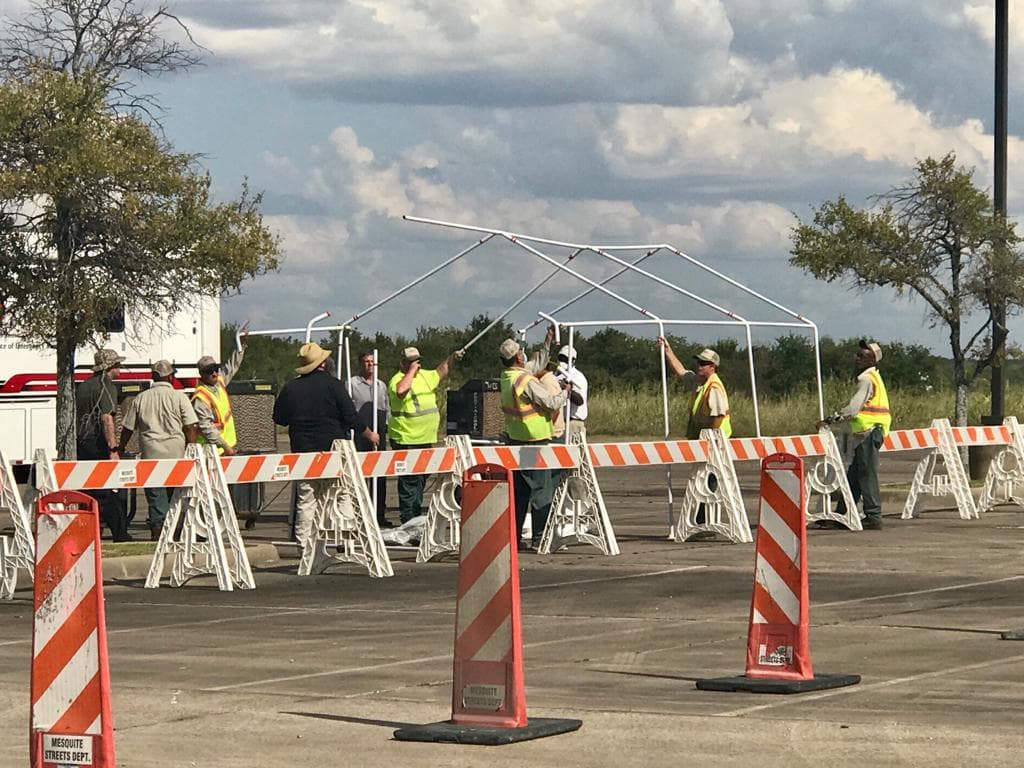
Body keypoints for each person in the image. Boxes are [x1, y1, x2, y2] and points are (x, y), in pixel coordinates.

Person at [273, 343, 379, 552]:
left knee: (307, 499)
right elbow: (351, 417)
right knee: (341, 495)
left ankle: (304, 546)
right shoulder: (334, 385)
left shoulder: (291, 388)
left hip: (303, 450)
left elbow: (280, 418)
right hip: (333, 448)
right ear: (324, 363)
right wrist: (369, 434)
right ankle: (344, 540)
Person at [498, 338, 570, 551]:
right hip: (533, 440)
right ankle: (541, 537)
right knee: (541, 490)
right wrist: (565, 392)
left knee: (520, 492)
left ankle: (514, 536)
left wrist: (548, 341)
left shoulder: (507, 376)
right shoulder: (524, 381)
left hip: (515, 439)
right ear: (519, 357)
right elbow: (551, 402)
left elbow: (536, 364)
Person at [658, 338, 731, 540]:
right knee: (703, 480)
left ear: (713, 366)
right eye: (698, 362)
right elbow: (681, 372)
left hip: (715, 440)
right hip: (704, 439)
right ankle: (701, 523)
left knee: (709, 481)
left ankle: (704, 523)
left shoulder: (714, 387)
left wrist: (712, 439)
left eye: (702, 363)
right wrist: (668, 351)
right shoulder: (700, 382)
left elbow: (719, 415)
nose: (698, 366)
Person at [117, 360, 199, 540]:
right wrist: (191, 447)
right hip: (176, 451)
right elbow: (191, 426)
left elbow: (128, 428)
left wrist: (120, 448)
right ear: (170, 376)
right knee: (175, 494)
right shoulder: (179, 397)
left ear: (153, 377)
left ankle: (157, 529)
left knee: (155, 494)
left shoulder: (141, 398)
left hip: (151, 452)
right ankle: (176, 530)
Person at [816, 340, 890, 530]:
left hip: (868, 431)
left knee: (866, 475)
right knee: (855, 475)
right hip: (870, 431)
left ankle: (873, 515)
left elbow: (853, 409)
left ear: (872, 360)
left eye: (861, 356)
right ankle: (843, 513)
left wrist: (830, 420)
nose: (856, 359)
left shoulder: (866, 379)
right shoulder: (875, 377)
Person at [387, 345, 462, 524]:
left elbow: (442, 370)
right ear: (403, 363)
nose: (416, 364)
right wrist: (411, 372)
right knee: (409, 481)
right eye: (411, 362)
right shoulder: (397, 379)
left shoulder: (425, 376)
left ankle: (415, 516)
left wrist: (453, 356)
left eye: (417, 361)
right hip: (406, 438)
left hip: (425, 438)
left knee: (421, 479)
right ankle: (408, 520)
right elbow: (400, 391)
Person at [75, 348, 130, 541]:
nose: (120, 369)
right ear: (110, 367)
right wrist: (113, 448)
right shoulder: (106, 386)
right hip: (98, 444)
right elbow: (107, 419)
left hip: (82, 443)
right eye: (118, 365)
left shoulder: (83, 386)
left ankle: (91, 530)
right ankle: (120, 533)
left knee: (87, 489)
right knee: (107, 491)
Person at [349, 350, 391, 527]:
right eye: (366, 362)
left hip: (379, 431)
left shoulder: (381, 385)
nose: (369, 365)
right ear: (360, 363)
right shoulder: (352, 384)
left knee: (379, 475)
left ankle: (379, 513)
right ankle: (360, 514)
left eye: (372, 362)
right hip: (360, 433)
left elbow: (386, 407)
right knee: (361, 473)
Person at [192, 327, 247, 456]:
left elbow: (232, 366)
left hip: (226, 447)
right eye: (209, 371)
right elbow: (206, 427)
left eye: (215, 369)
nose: (214, 373)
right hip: (212, 451)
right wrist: (224, 446)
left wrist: (241, 344)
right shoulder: (201, 397)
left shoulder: (219, 382)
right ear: (201, 374)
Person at [555, 344, 588, 437]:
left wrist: (568, 390)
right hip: (560, 422)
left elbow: (579, 400)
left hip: (573, 423)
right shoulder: (557, 375)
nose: (561, 361)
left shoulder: (578, 377)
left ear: (573, 360)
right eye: (560, 358)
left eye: (565, 359)